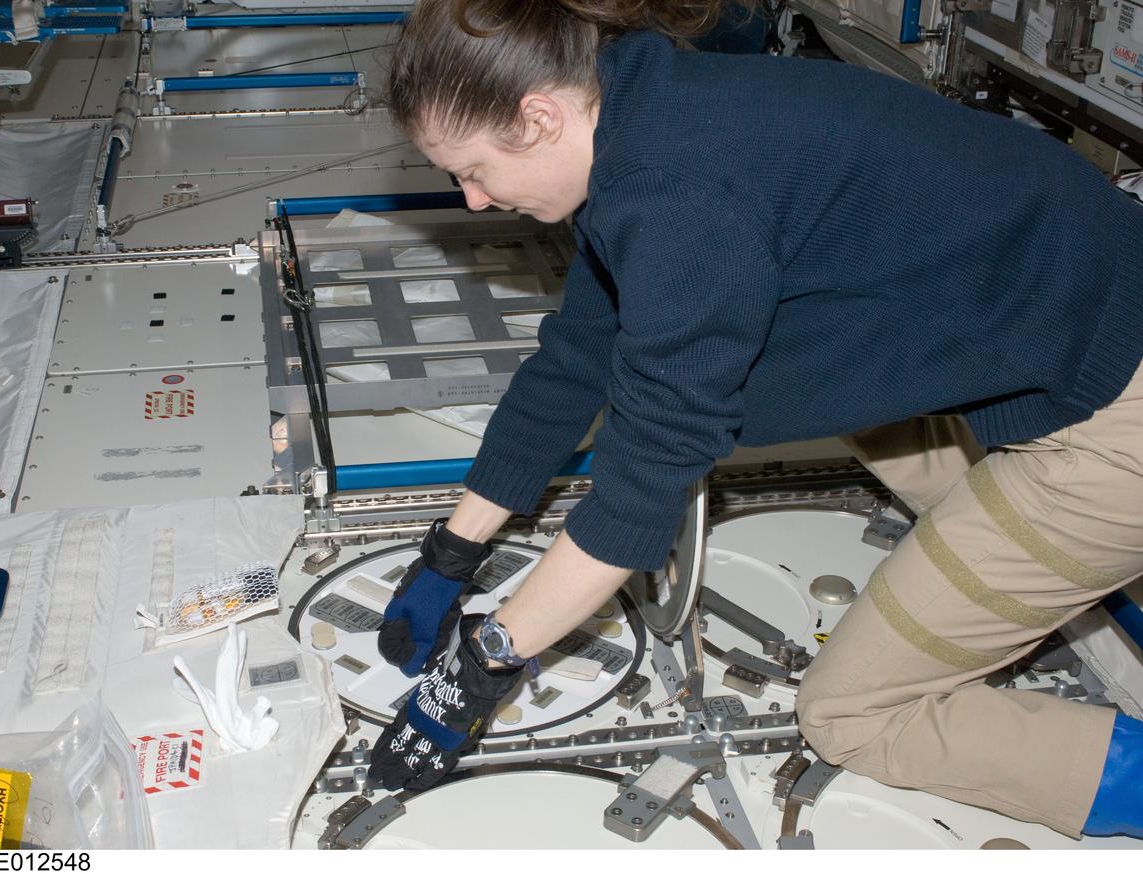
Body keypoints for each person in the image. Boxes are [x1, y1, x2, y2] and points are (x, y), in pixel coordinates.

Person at [368, 0, 1143, 840]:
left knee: (851, 712)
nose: (473, 201)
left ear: (538, 116)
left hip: (1114, 407)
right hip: (1071, 311)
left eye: (474, 170)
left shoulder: (676, 193)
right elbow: (577, 361)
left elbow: (641, 485)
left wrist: (485, 664)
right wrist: (453, 551)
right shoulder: (634, 113)